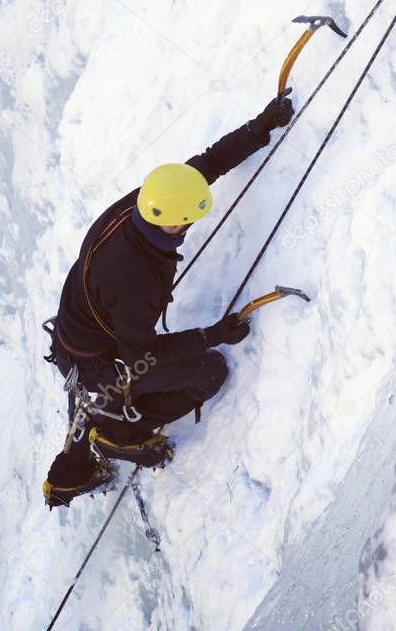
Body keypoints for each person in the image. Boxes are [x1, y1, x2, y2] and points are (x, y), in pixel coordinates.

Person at [42, 90, 294, 507]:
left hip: (76, 335)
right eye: (189, 221)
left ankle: (79, 464)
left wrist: (259, 127)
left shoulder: (149, 200)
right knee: (209, 371)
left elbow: (206, 165)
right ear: (171, 225)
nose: (193, 223)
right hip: (104, 361)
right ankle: (122, 435)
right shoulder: (133, 279)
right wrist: (211, 335)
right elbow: (144, 353)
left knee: (93, 400)